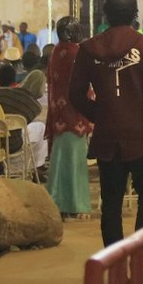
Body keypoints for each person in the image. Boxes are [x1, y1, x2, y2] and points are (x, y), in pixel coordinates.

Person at [70, 0, 143, 247]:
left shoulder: (89, 49)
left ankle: (114, 263)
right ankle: (141, 259)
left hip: (107, 139)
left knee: (111, 203)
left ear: (105, 14)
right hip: (142, 137)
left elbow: (75, 94)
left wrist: (101, 115)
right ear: (135, 14)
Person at [44, 18, 93, 218]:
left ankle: (57, 202)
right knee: (76, 162)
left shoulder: (56, 52)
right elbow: (84, 84)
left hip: (60, 114)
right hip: (76, 115)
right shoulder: (76, 53)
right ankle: (76, 204)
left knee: (60, 160)